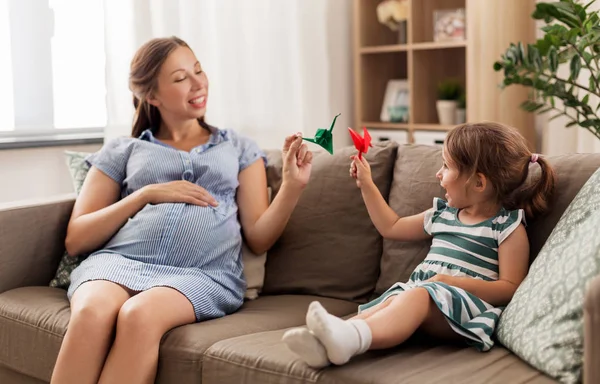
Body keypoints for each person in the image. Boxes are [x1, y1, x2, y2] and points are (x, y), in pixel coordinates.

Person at [50, 36, 312, 384]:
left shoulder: (237, 147)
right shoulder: (124, 149)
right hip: (118, 262)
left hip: (203, 274)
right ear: (152, 96)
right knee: (91, 312)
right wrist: (144, 195)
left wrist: (293, 186)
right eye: (180, 78)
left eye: (198, 71)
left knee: (140, 315)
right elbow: (76, 239)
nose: (198, 82)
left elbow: (259, 237)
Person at [283, 122, 556, 368]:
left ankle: (351, 338)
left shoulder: (506, 227)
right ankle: (330, 342)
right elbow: (391, 227)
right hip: (421, 297)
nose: (438, 174)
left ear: (478, 182)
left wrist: (451, 283)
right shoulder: (442, 215)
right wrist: (366, 184)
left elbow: (509, 288)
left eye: (447, 166)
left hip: (463, 312)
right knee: (392, 299)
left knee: (415, 296)